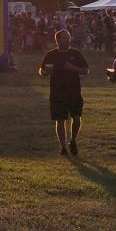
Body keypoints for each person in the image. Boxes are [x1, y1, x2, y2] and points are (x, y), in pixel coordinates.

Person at [40, 29, 90, 157]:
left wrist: (72, 68)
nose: (68, 40)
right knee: (60, 119)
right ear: (58, 40)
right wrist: (44, 72)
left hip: (73, 91)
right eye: (65, 38)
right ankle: (63, 146)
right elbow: (41, 70)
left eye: (68, 37)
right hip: (57, 92)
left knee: (77, 118)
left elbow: (86, 70)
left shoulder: (75, 54)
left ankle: (73, 140)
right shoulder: (51, 55)